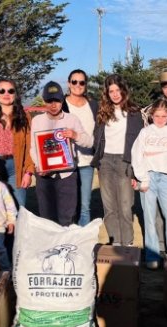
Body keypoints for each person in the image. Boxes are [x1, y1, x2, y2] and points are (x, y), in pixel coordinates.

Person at [131, 99, 167, 269]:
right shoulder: (145, 132)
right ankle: (152, 257)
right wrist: (143, 178)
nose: (160, 119)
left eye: (163, 116)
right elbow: (136, 155)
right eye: (157, 116)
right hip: (148, 179)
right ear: (151, 115)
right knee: (149, 220)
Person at [30, 81, 94, 226]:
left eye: (57, 100)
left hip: (67, 176)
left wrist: (75, 135)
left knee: (67, 218)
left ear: (62, 100)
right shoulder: (37, 120)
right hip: (45, 176)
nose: (53, 105)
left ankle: (66, 247)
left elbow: (89, 142)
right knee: (47, 219)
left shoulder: (72, 119)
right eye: (49, 101)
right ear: (44, 101)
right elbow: (33, 148)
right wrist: (39, 166)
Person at [92, 74, 143, 246]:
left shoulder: (135, 112)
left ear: (123, 90)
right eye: (111, 91)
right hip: (105, 161)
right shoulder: (102, 112)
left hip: (125, 161)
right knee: (109, 207)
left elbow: (140, 141)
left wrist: (136, 171)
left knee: (125, 206)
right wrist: (97, 159)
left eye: (117, 90)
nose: (114, 94)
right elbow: (96, 136)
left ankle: (127, 243)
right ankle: (114, 242)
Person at [0, 78, 35, 208]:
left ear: (15, 94)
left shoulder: (24, 116)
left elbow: (29, 146)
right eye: (2, 91)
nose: (6, 94)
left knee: (18, 208)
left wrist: (28, 172)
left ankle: (18, 230)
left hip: (17, 166)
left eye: (10, 91)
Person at [62, 69, 99, 226]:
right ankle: (69, 241)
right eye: (74, 82)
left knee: (85, 206)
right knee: (68, 205)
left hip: (87, 163)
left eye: (82, 82)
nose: (78, 85)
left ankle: (84, 242)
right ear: (68, 83)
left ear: (86, 85)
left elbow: (98, 134)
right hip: (66, 163)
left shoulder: (93, 105)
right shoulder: (61, 104)